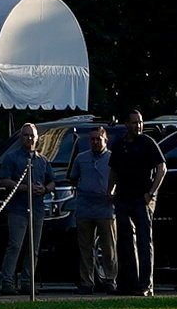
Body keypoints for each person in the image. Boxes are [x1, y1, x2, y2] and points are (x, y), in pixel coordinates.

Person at [116, 115, 168, 296]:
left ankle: (146, 285)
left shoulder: (148, 143)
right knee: (125, 242)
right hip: (123, 198)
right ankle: (128, 283)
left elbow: (162, 169)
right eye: (134, 122)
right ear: (126, 124)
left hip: (142, 198)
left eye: (140, 122)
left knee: (145, 241)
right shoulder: (120, 144)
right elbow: (113, 170)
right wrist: (110, 190)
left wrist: (151, 192)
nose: (138, 125)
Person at [69, 121, 116, 292]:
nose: (95, 142)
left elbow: (119, 179)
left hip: (106, 208)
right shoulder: (81, 158)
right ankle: (87, 282)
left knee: (108, 247)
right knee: (85, 248)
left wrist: (113, 192)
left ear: (106, 140)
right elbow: (73, 178)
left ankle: (110, 279)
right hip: (85, 207)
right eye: (92, 139)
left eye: (98, 139)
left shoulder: (112, 158)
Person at [0, 125, 39, 292]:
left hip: (37, 208)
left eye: (32, 135)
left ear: (37, 137)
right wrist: (23, 187)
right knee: (15, 245)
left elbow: (52, 180)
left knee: (33, 248)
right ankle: (8, 282)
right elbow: (3, 180)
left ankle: (28, 283)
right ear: (21, 137)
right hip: (17, 209)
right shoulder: (11, 158)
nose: (29, 139)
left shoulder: (42, 160)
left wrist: (46, 188)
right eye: (26, 135)